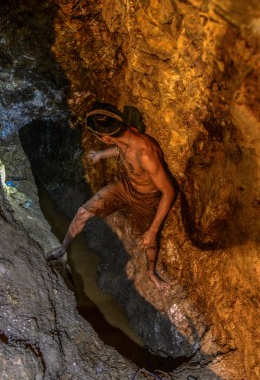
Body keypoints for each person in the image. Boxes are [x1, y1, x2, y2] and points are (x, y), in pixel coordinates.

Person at [45, 103, 176, 291]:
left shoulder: (146, 153)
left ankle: (151, 273)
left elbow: (169, 192)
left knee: (148, 241)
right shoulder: (125, 134)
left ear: (106, 137)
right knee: (83, 212)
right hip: (125, 185)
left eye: (99, 138)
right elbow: (120, 149)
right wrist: (100, 154)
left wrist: (153, 230)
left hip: (147, 198)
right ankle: (61, 249)